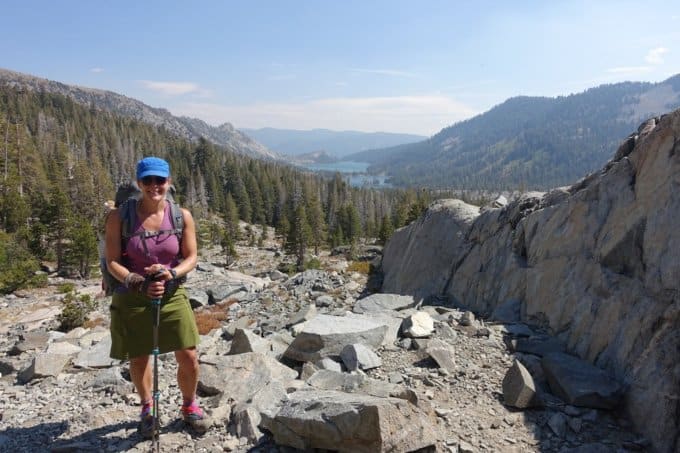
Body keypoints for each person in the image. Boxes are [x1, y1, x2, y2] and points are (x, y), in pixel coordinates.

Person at [105, 156, 210, 438]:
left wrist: (171, 274)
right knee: (139, 358)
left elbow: (191, 256)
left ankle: (189, 405)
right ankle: (147, 407)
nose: (154, 186)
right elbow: (112, 260)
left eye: (159, 180)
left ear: (169, 182)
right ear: (139, 183)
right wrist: (136, 281)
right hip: (133, 295)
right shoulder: (118, 217)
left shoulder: (181, 216)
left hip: (171, 293)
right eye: (147, 181)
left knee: (188, 354)